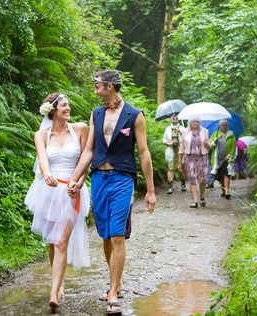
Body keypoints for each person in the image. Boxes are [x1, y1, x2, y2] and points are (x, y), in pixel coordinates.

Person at [67, 70, 156, 315]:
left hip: (122, 180)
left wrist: (150, 190)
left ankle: (113, 293)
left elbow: (144, 153)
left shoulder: (135, 115)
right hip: (98, 179)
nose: (95, 91)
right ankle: (116, 281)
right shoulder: (95, 114)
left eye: (97, 87)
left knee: (117, 235)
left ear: (108, 86)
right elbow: (88, 151)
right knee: (105, 235)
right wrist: (74, 180)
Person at [24, 93, 90, 311]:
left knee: (61, 241)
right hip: (49, 191)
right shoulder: (41, 135)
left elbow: (85, 160)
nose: (68, 108)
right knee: (53, 242)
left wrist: (79, 182)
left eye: (68, 104)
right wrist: (47, 173)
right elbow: (42, 159)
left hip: (72, 192)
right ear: (52, 110)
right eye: (64, 105)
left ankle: (53, 294)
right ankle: (58, 281)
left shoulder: (80, 129)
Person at [177, 116, 210, 208]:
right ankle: (195, 201)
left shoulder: (205, 131)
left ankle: (202, 197)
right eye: (193, 122)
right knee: (192, 178)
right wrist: (179, 161)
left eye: (196, 121)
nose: (195, 123)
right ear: (189, 123)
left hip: (202, 157)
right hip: (190, 158)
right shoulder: (185, 132)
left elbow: (208, 145)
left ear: (199, 123)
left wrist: (208, 145)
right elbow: (182, 147)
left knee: (203, 179)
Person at [209, 120, 236, 199]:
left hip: (227, 158)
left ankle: (227, 191)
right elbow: (211, 146)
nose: (223, 126)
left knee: (226, 174)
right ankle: (223, 191)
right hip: (217, 159)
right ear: (219, 126)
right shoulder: (215, 134)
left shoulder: (231, 135)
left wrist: (230, 156)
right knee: (220, 176)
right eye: (222, 125)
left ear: (227, 126)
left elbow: (233, 147)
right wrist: (214, 141)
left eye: (225, 125)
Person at [163, 114, 186, 194]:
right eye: (172, 119)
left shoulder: (182, 128)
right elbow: (164, 140)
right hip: (170, 151)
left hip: (180, 151)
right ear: (170, 120)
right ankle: (170, 187)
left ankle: (183, 184)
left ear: (178, 119)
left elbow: (186, 138)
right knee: (170, 169)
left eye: (175, 119)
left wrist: (180, 132)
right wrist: (168, 143)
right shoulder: (167, 129)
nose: (174, 120)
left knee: (181, 169)